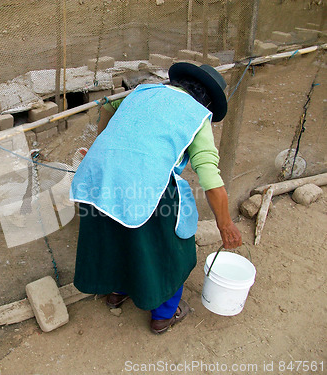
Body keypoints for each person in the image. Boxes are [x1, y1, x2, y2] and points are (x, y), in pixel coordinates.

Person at [69, 62, 242, 334]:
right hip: (144, 184)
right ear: (208, 101)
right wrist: (225, 225)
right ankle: (163, 314)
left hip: (98, 176)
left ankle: (118, 290)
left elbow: (107, 107)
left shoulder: (141, 92)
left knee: (116, 232)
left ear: (179, 82)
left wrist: (105, 146)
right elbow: (209, 177)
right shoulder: (196, 115)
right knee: (171, 249)